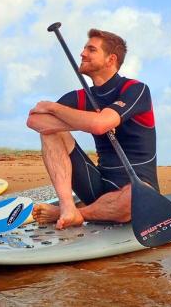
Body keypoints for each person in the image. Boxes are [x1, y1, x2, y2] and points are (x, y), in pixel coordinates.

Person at [27, 29, 159, 230]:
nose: (82, 53)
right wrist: (88, 122)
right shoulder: (81, 97)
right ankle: (67, 206)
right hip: (97, 185)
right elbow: (35, 121)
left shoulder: (135, 89)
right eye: (83, 48)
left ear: (110, 59)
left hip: (136, 190)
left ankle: (75, 213)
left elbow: (100, 125)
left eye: (91, 49)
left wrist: (53, 108)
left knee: (134, 198)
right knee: (50, 132)